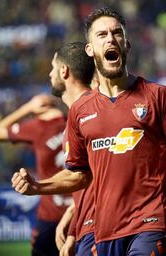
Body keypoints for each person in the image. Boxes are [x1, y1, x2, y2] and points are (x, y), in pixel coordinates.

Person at [11, 7, 166, 255]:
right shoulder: (80, 111)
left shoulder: (157, 95)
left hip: (151, 223)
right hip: (106, 231)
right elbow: (79, 176)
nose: (110, 38)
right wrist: (37, 187)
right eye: (102, 34)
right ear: (90, 49)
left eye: (116, 33)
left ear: (126, 44)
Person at [0, 94, 71, 256]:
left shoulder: (36, 127)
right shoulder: (75, 121)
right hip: (79, 212)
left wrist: (26, 108)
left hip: (51, 216)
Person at [46, 41, 96, 256]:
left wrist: (35, 186)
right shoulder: (79, 113)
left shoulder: (90, 112)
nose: (49, 74)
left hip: (100, 230)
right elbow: (94, 180)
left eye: (52, 68)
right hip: (87, 227)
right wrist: (74, 215)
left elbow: (85, 179)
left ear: (64, 71)